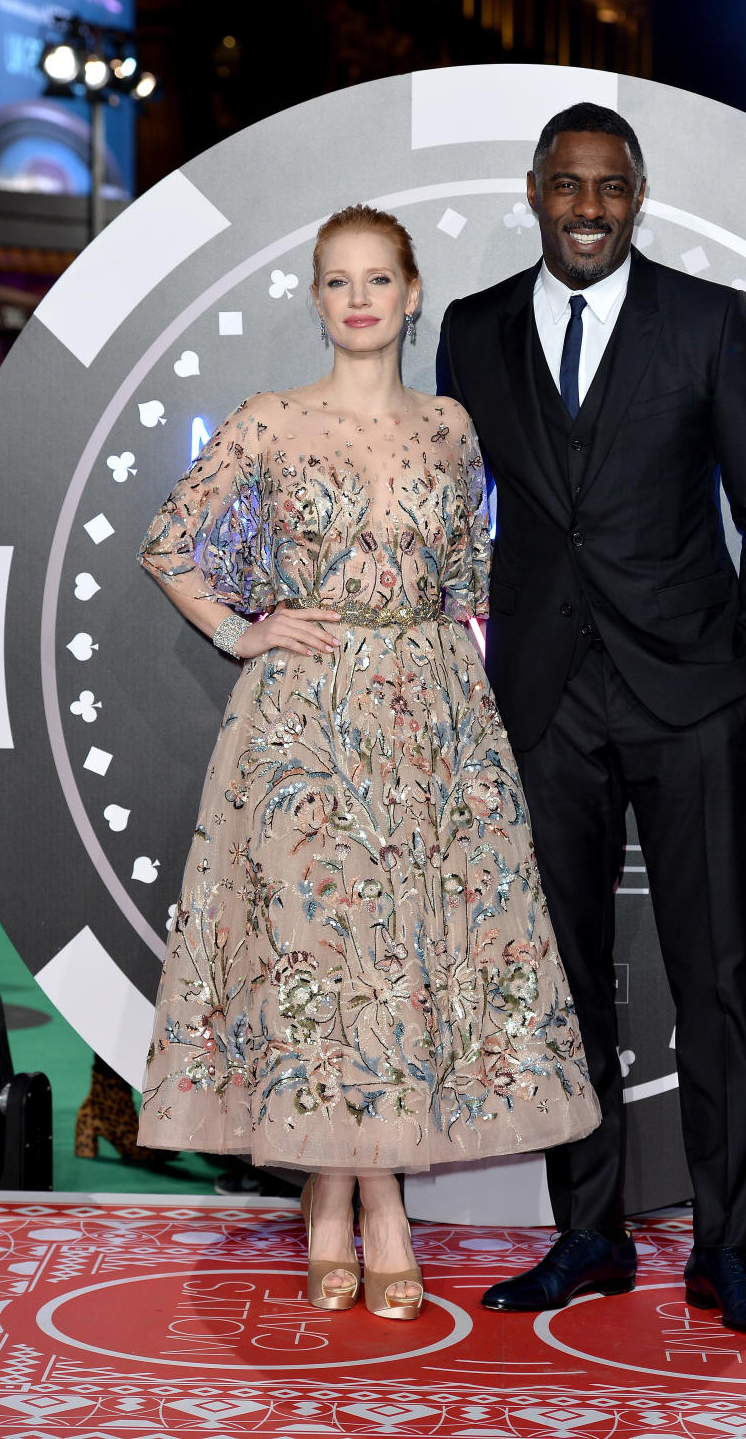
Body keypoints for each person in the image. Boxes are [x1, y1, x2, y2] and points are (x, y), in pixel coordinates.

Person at [136, 204, 601, 1321]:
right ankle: (362, 1206)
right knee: (316, 960)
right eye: (335, 280)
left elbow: (471, 581)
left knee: (399, 961)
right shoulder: (268, 421)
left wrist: (473, 710)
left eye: (377, 279)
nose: (356, 298)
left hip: (431, 717)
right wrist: (240, 629)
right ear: (314, 296)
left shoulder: (450, 426)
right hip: (302, 721)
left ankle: (351, 1204)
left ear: (410, 292)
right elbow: (169, 544)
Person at [437, 104, 746, 1336]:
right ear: (533, 189)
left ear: (637, 196)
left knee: (714, 982)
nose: (588, 209)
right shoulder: (475, 331)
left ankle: (725, 1248)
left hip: (691, 694)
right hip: (544, 700)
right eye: (566, 185)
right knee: (566, 987)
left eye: (611, 187)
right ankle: (589, 1235)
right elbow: (454, 516)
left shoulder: (709, 321)